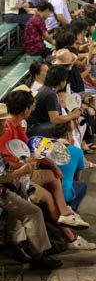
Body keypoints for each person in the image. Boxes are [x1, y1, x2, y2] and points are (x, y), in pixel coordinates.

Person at [0, 93, 62, 270]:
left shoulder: (15, 127)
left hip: (12, 183)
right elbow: (4, 171)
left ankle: (17, 242)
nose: (5, 125)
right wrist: (21, 170)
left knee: (24, 198)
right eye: (2, 122)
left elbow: (21, 155)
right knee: (33, 211)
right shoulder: (7, 131)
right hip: (6, 187)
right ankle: (38, 254)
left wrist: (43, 163)